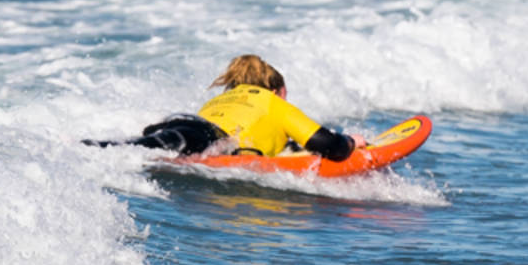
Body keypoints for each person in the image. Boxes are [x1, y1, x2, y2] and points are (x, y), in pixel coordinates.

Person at [93, 54, 364, 160]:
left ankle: (87, 147)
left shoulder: (220, 100)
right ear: (276, 90)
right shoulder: (271, 102)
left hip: (184, 124)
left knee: (137, 146)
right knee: (143, 149)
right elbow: (327, 144)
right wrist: (350, 142)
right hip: (209, 137)